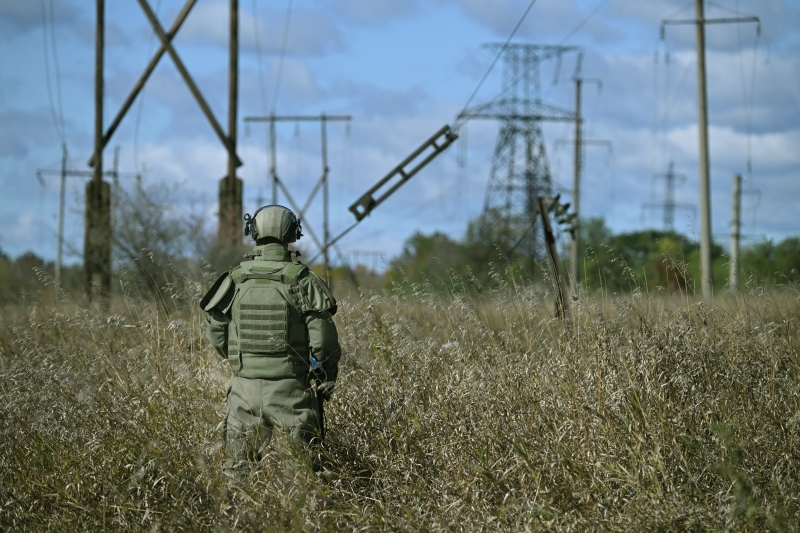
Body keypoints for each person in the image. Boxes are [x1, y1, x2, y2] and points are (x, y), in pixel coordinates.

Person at [200, 205, 340, 478]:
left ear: (253, 232)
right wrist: (324, 375)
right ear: (293, 233)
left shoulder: (236, 279)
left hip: (244, 391)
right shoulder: (301, 280)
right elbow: (324, 340)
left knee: (237, 476)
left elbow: (216, 332)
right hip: (291, 391)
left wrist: (241, 361)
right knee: (300, 479)